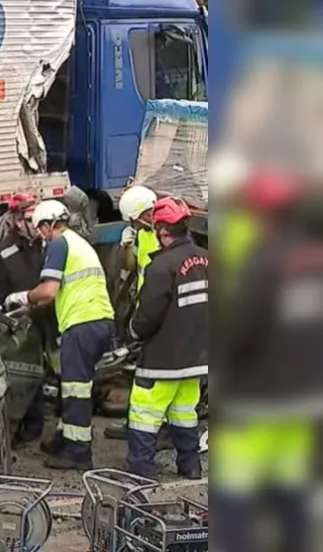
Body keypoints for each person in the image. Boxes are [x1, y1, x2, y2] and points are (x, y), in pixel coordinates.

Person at [214, 171, 321, 552]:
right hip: (304, 396)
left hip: (258, 398)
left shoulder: (263, 263)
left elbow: (242, 331)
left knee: (236, 486)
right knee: (291, 481)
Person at [4, 200, 115, 470]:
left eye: (40, 228)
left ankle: (78, 453)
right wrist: (30, 306)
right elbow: (53, 297)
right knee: (75, 384)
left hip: (81, 323)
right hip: (100, 321)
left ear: (48, 224)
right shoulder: (78, 243)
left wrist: (20, 297)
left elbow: (48, 291)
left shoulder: (58, 244)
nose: (40, 235)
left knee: (75, 390)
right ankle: (64, 439)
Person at [126, 197, 208, 480]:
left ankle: (142, 473)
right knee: (185, 413)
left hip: (163, 359)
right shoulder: (208, 259)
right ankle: (191, 467)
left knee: (144, 414)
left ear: (162, 231)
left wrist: (132, 333)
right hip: (197, 358)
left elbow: (148, 316)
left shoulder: (161, 267)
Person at [0, 191, 49, 443]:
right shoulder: (2, 255)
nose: (34, 226)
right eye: (29, 219)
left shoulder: (44, 245)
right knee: (24, 374)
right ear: (15, 219)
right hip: (18, 326)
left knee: (50, 370)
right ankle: (25, 426)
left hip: (47, 318)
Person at [105, 184, 162, 442]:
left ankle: (148, 429)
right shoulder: (142, 235)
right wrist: (127, 246)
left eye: (134, 220)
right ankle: (136, 425)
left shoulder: (165, 234)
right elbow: (131, 266)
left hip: (160, 311)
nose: (134, 225)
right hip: (145, 307)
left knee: (152, 376)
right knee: (140, 373)